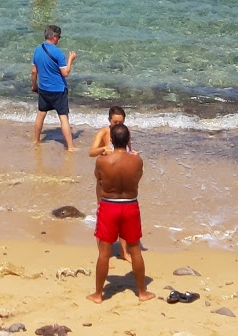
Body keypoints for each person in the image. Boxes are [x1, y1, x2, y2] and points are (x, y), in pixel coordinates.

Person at [87, 123, 153, 303]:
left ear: (112, 140)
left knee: (104, 252)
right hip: (130, 205)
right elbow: (138, 177)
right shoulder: (137, 160)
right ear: (128, 140)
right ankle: (142, 292)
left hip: (109, 205)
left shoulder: (103, 160)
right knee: (135, 250)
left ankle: (98, 294)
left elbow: (98, 178)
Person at [31, 24, 76, 150]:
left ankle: (36, 140)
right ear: (55, 37)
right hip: (58, 90)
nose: (59, 39)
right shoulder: (58, 53)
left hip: (43, 89)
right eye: (59, 37)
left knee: (40, 115)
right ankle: (70, 146)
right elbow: (65, 73)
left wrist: (34, 86)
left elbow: (34, 71)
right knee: (63, 117)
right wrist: (70, 60)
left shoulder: (38, 49)